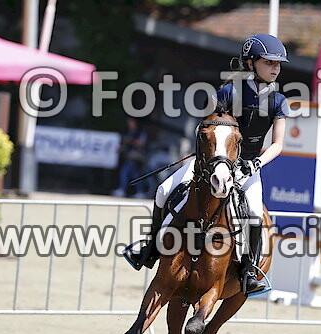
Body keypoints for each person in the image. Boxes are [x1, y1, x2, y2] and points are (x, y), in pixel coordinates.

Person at [125, 33, 290, 295]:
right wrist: (208, 157)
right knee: (164, 189)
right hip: (213, 162)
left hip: (248, 165)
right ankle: (150, 248)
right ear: (251, 63)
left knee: (256, 213)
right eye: (269, 62)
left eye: (278, 64)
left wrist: (255, 163)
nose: (276, 68)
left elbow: (278, 144)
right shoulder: (227, 92)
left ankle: (249, 270)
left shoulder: (279, 102)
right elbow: (206, 127)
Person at [113, 118, 148, 198]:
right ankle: (139, 191)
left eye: (131, 123)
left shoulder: (140, 133)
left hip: (137, 158)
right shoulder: (129, 133)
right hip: (130, 157)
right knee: (133, 175)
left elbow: (141, 143)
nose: (129, 125)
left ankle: (123, 190)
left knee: (126, 173)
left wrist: (130, 140)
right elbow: (126, 146)